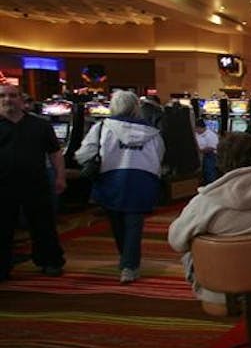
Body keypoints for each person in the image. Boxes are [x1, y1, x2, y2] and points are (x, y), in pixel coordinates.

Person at [168, 133, 251, 347]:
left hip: (223, 292)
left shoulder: (204, 202)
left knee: (191, 247)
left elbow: (176, 241)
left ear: (222, 162)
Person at [76, 90, 164, 284]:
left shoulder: (102, 127)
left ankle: (127, 260)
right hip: (143, 179)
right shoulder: (151, 132)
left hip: (112, 178)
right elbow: (159, 156)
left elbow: (83, 154)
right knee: (134, 225)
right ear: (136, 107)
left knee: (117, 224)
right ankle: (129, 265)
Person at [0, 83, 66, 280]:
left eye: (12, 96)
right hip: (3, 185)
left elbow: (55, 153)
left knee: (43, 225)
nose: (7, 100)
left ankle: (50, 261)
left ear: (22, 100)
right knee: (2, 227)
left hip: (35, 182)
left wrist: (60, 176)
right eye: (3, 96)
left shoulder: (39, 125)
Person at [194, 118, 219, 184]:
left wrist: (200, 150)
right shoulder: (197, 133)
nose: (195, 130)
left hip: (210, 156)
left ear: (201, 128)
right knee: (203, 173)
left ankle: (211, 186)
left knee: (209, 173)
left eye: (196, 128)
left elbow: (212, 148)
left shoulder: (211, 135)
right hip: (200, 155)